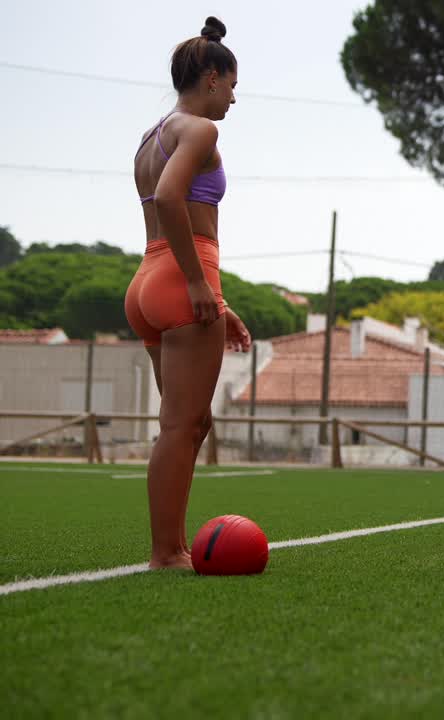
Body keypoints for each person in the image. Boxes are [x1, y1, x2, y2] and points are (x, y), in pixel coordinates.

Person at [125, 16, 252, 570]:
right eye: (232, 86)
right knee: (181, 426)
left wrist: (221, 304)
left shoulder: (150, 138)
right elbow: (171, 198)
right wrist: (200, 284)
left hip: (149, 281)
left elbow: (167, 207)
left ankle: (173, 546)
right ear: (211, 78)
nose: (232, 99)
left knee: (190, 424)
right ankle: (166, 552)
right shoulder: (200, 130)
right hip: (184, 278)